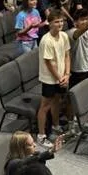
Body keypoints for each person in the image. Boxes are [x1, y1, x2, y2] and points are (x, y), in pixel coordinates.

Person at [36, 11, 70, 148]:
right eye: (56, 21)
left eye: (61, 21)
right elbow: (49, 63)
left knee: (57, 101)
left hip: (61, 76)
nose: (60, 24)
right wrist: (60, 78)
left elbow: (67, 55)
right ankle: (41, 135)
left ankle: (55, 125)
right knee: (45, 106)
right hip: (49, 78)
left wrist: (67, 74)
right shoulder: (46, 40)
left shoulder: (64, 36)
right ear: (49, 23)